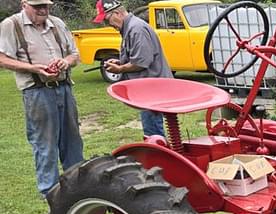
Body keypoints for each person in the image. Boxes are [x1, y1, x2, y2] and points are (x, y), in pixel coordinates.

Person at [0, 0, 84, 199]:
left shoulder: (57, 23)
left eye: (45, 5)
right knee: (45, 143)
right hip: (37, 92)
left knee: (72, 141)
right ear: (24, 5)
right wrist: (34, 68)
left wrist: (65, 62)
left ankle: (78, 187)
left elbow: (74, 55)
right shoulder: (11, 25)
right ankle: (51, 194)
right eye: (37, 6)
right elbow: (2, 58)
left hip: (64, 88)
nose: (43, 10)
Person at [93, 0, 172, 137]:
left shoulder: (136, 29)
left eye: (107, 20)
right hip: (147, 88)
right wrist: (120, 61)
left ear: (117, 13)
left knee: (153, 133)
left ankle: (161, 156)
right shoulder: (130, 27)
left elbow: (142, 63)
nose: (108, 25)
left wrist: (120, 69)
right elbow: (138, 56)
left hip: (152, 88)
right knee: (152, 128)